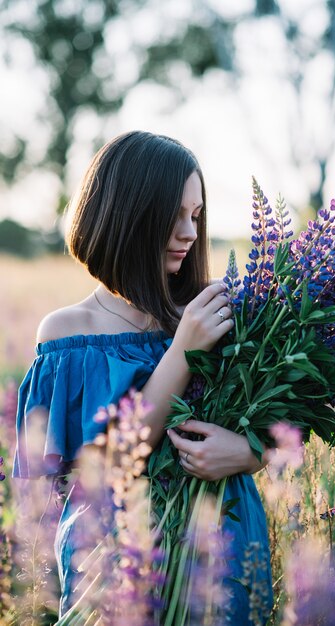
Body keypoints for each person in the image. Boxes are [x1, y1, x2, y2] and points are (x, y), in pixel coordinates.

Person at [13, 131, 273, 623]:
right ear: (125, 214)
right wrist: (182, 352)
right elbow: (105, 466)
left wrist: (249, 453)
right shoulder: (70, 334)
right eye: (173, 215)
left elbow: (283, 419)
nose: (190, 233)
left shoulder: (212, 312)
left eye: (196, 216)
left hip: (223, 544)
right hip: (114, 560)